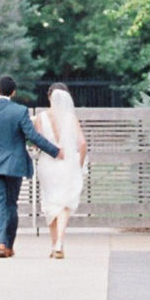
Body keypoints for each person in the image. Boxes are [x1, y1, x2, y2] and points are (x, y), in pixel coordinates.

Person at [0, 75, 61, 257]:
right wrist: (55, 151)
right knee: (11, 205)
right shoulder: (19, 111)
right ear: (13, 92)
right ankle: (8, 246)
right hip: (13, 165)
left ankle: (1, 243)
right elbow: (32, 136)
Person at [32, 80, 88, 259]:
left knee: (50, 202)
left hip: (47, 163)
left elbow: (38, 142)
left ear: (50, 97)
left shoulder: (40, 117)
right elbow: (82, 144)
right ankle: (60, 243)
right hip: (68, 164)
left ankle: (53, 244)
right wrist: (78, 164)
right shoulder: (70, 117)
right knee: (64, 203)